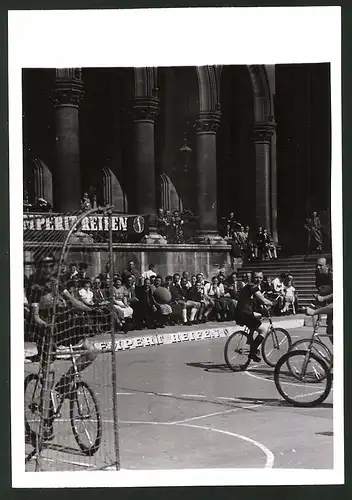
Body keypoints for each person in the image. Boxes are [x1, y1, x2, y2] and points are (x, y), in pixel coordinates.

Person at [27, 266, 99, 441]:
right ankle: (46, 425)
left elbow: (73, 301)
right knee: (48, 376)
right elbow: (35, 316)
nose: (51, 270)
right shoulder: (34, 288)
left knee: (92, 351)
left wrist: (92, 309)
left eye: (52, 267)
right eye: (47, 267)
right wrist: (46, 325)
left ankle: (65, 383)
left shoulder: (57, 284)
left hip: (64, 326)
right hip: (45, 330)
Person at [235, 271, 273, 362]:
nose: (258, 279)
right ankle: (253, 352)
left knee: (258, 316)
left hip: (240, 313)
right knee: (263, 331)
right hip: (245, 313)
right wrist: (271, 303)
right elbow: (262, 299)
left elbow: (255, 300)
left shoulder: (249, 286)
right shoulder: (253, 286)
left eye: (260, 277)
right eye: (256, 277)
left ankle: (250, 339)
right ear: (252, 278)